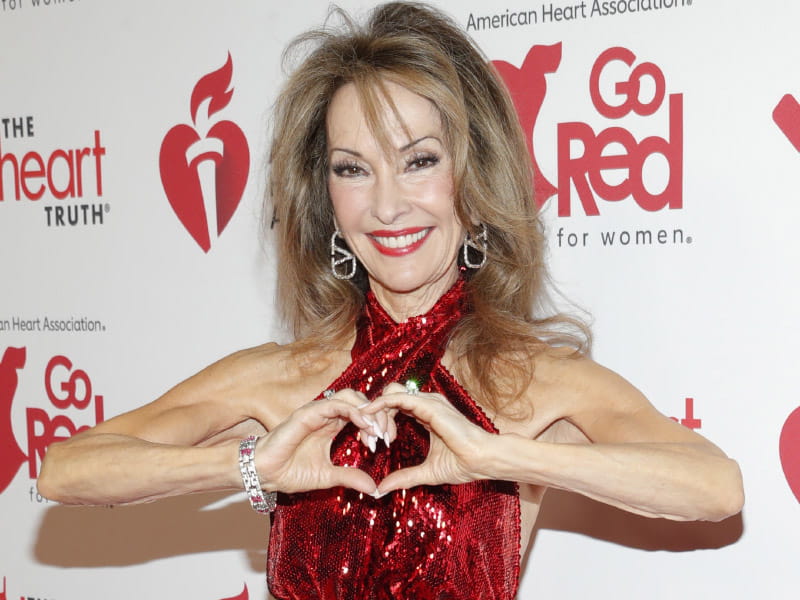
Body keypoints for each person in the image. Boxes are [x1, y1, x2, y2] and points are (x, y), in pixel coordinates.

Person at [38, 2, 744, 599]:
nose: (386, 206)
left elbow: (716, 487)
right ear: (326, 197)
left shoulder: (532, 382)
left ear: (476, 177)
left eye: (419, 161)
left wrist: (504, 457)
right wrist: (249, 466)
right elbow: (65, 469)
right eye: (353, 169)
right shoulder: (282, 379)